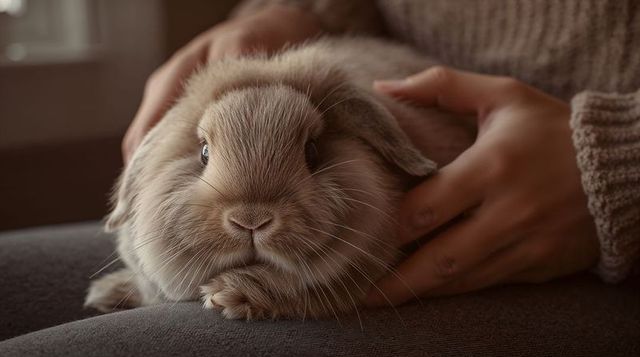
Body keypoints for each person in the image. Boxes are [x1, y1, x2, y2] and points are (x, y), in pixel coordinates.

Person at [122, 0, 640, 307]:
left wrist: (621, 159)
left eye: (313, 152)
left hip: (576, 249)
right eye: (205, 153)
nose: (249, 214)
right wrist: (307, 11)